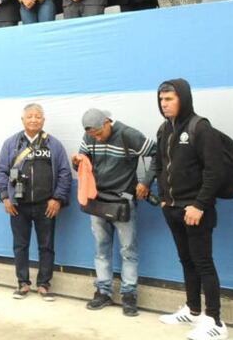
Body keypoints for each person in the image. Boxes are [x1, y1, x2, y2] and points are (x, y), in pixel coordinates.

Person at [151, 79, 229, 340]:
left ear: (183, 99)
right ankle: (193, 310)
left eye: (169, 99)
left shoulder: (200, 127)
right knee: (186, 260)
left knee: (203, 262)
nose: (164, 104)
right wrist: (164, 199)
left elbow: (215, 172)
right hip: (173, 209)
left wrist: (199, 205)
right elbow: (159, 165)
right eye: (161, 99)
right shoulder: (164, 129)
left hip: (196, 211)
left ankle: (215, 321)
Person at [73, 108, 157, 317]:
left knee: (128, 251)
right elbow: (84, 164)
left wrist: (146, 182)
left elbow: (159, 154)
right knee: (101, 248)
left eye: (99, 133)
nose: (97, 137)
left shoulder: (129, 135)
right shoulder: (89, 136)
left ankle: (129, 295)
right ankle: (103, 292)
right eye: (93, 134)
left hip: (123, 201)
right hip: (97, 201)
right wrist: (78, 162)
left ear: (108, 122)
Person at [0, 103, 71, 301]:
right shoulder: (11, 144)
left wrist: (57, 199)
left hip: (46, 205)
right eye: (30, 116)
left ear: (43, 120)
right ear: (23, 120)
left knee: (47, 246)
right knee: (20, 245)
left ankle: (44, 284)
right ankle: (23, 283)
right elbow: (1, 171)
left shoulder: (53, 145)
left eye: (38, 116)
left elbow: (65, 173)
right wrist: (5, 197)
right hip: (18, 206)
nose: (34, 120)